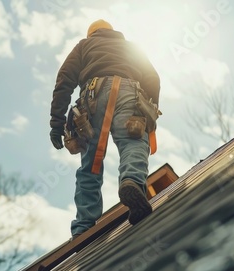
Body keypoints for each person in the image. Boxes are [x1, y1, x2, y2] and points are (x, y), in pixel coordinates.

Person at [49, 19, 161, 240]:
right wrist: (149, 106)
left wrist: (56, 122)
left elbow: (64, 80)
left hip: (92, 97)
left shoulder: (84, 45)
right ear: (113, 32)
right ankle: (132, 181)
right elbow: (152, 78)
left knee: (92, 161)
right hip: (129, 92)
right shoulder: (130, 46)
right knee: (133, 142)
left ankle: (84, 225)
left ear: (92, 34)